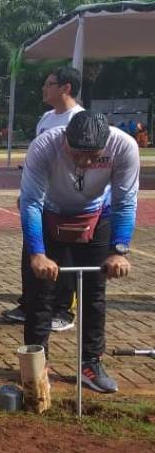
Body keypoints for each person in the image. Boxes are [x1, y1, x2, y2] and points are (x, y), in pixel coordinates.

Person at [20, 111, 138, 394]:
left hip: (97, 215)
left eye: (93, 155)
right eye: (77, 154)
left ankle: (90, 363)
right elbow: (31, 203)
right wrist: (37, 253)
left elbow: (125, 201)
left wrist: (119, 250)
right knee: (40, 293)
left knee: (94, 293)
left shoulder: (124, 147)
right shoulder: (44, 147)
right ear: (65, 139)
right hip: (48, 213)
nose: (84, 162)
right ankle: (37, 365)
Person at [2, 66, 85, 331]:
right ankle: (30, 304)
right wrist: (25, 193)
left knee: (65, 255)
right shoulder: (46, 119)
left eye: (49, 83)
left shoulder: (80, 119)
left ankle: (63, 311)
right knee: (33, 251)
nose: (43, 88)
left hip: (68, 200)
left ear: (66, 88)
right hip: (39, 199)